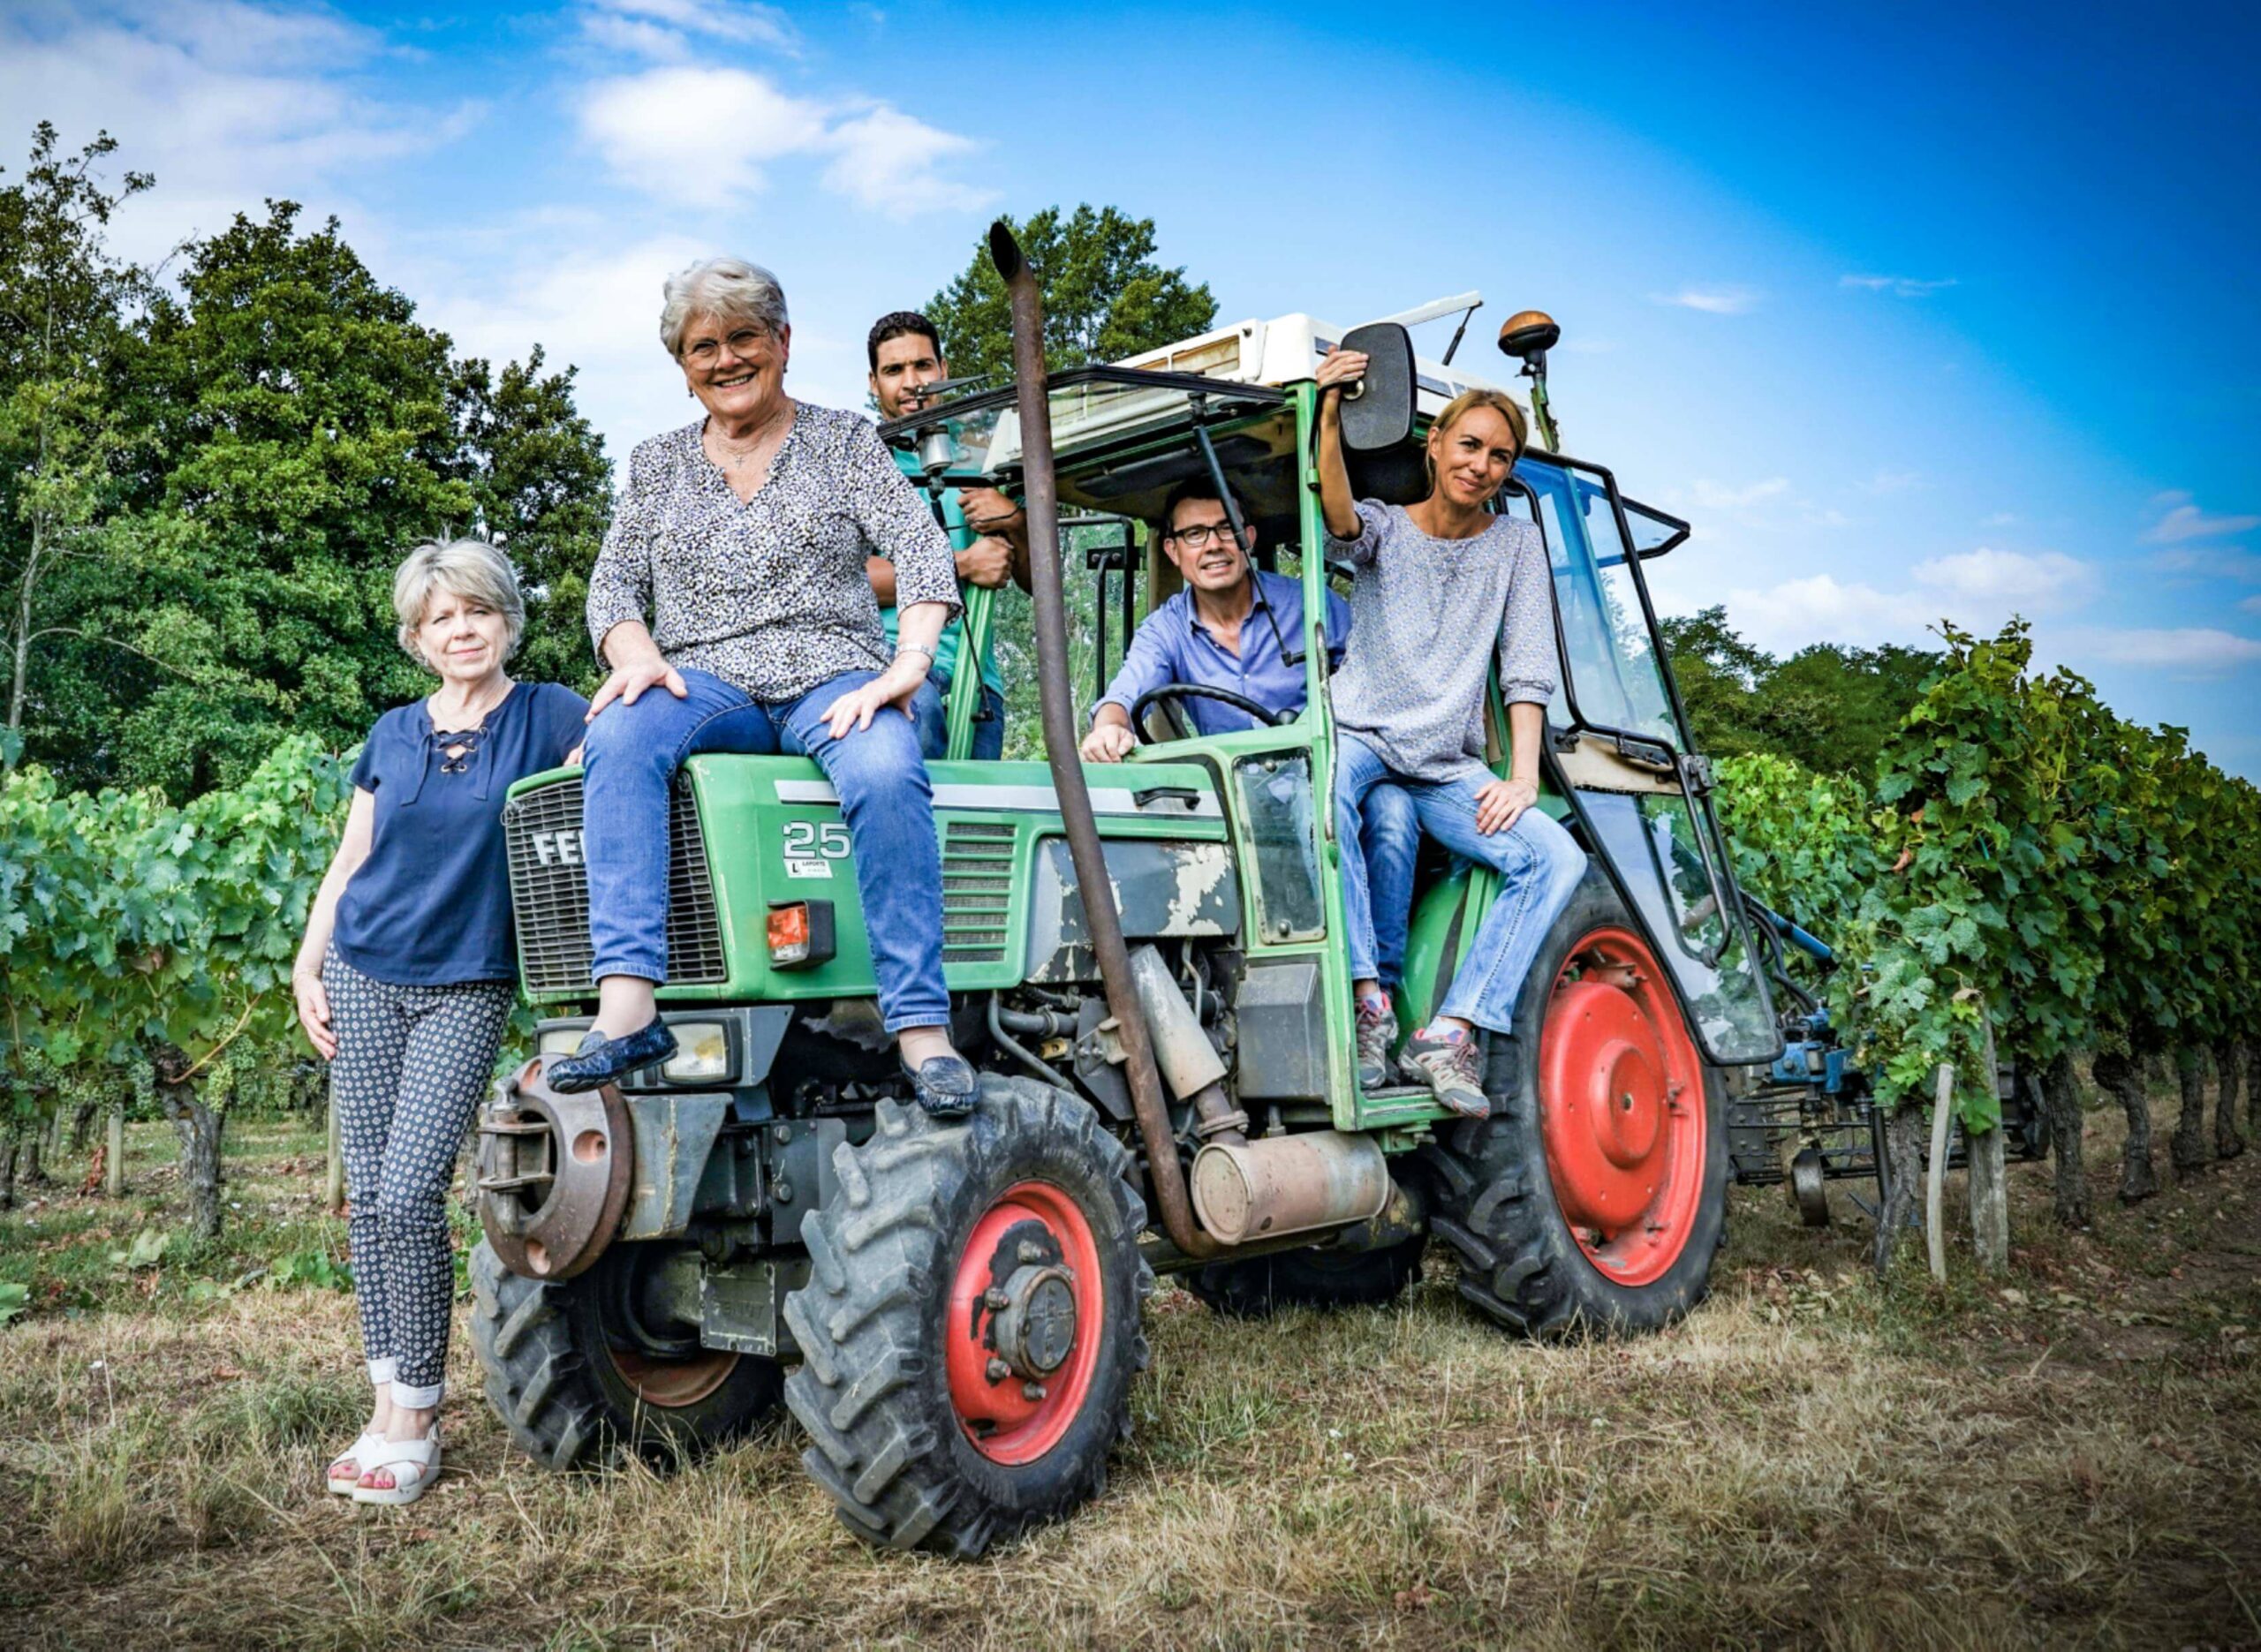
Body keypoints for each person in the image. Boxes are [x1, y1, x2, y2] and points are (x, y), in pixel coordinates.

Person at [555, 257, 977, 1121]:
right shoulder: (659, 464)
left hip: (833, 671)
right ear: (682, 365)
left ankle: (922, 1029)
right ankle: (629, 1001)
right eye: (703, 345)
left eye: (744, 337)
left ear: (781, 342)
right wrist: (633, 653)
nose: (726, 358)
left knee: (887, 763)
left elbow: (926, 550)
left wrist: (908, 664)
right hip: (708, 676)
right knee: (620, 732)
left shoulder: (843, 442)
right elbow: (611, 591)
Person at [294, 539, 588, 1506]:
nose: (460, 630)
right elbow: (350, 862)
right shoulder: (391, 731)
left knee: (413, 1189)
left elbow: (605, 770)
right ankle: (383, 1399)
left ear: (506, 619)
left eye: (476, 611)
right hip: (366, 967)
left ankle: (419, 1413)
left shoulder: (548, 712)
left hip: (467, 980)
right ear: (418, 639)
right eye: (439, 618)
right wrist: (308, 960)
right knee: (369, 1199)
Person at [1314, 350, 1589, 1120]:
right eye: (1469, 445)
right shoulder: (1384, 529)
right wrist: (1329, 410)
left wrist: (1522, 775)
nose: (1482, 465)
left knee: (1553, 855)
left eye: (1500, 455)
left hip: (1443, 763)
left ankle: (1450, 1027)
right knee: (1323, 792)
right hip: (1363, 733)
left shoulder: (1515, 546)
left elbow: (1527, 668)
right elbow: (1336, 515)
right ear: (1434, 445)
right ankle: (1370, 1001)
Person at [1078, 479, 1423, 1090]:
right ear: (1172, 551)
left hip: (1329, 778)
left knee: (1394, 810)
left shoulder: (1307, 603)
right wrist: (1110, 725)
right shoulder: (1166, 629)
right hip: (1234, 802)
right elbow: (1126, 689)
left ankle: (1375, 1000)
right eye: (1194, 534)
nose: (1213, 545)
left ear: (1250, 538)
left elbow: (1378, 670)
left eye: (1225, 529)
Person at [866, 310, 1029, 759]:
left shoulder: (988, 459)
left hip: (977, 684)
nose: (911, 382)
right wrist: (961, 564)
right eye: (894, 370)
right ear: (873, 383)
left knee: (980, 823)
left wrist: (1014, 520)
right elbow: (846, 579)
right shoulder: (860, 466)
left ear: (944, 371)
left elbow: (1039, 584)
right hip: (889, 666)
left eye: (922, 366)